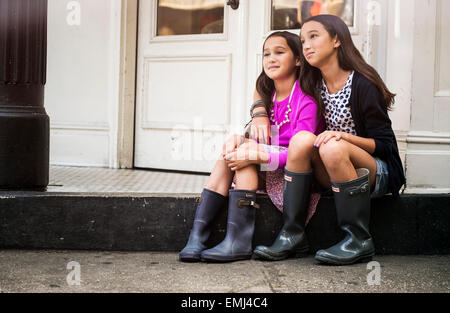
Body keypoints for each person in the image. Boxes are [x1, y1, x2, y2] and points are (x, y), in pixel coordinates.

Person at [251, 15, 406, 265]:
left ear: (336, 40)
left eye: (314, 36)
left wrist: (344, 138)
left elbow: (386, 144)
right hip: (332, 166)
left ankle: (358, 239)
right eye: (303, 40)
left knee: (332, 146)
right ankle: (293, 234)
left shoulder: (362, 84)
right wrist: (259, 113)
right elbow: (264, 82)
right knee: (302, 139)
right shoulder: (313, 81)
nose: (307, 45)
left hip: (376, 172)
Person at [179, 31, 324, 263]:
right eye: (266, 54)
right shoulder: (269, 95)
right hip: (269, 166)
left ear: (298, 59)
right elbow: (262, 140)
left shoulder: (306, 100)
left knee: (245, 155)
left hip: (295, 177)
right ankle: (198, 238)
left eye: (279, 52)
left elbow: (301, 151)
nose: (271, 59)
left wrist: (258, 153)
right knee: (235, 148)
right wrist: (240, 140)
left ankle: (235, 241)